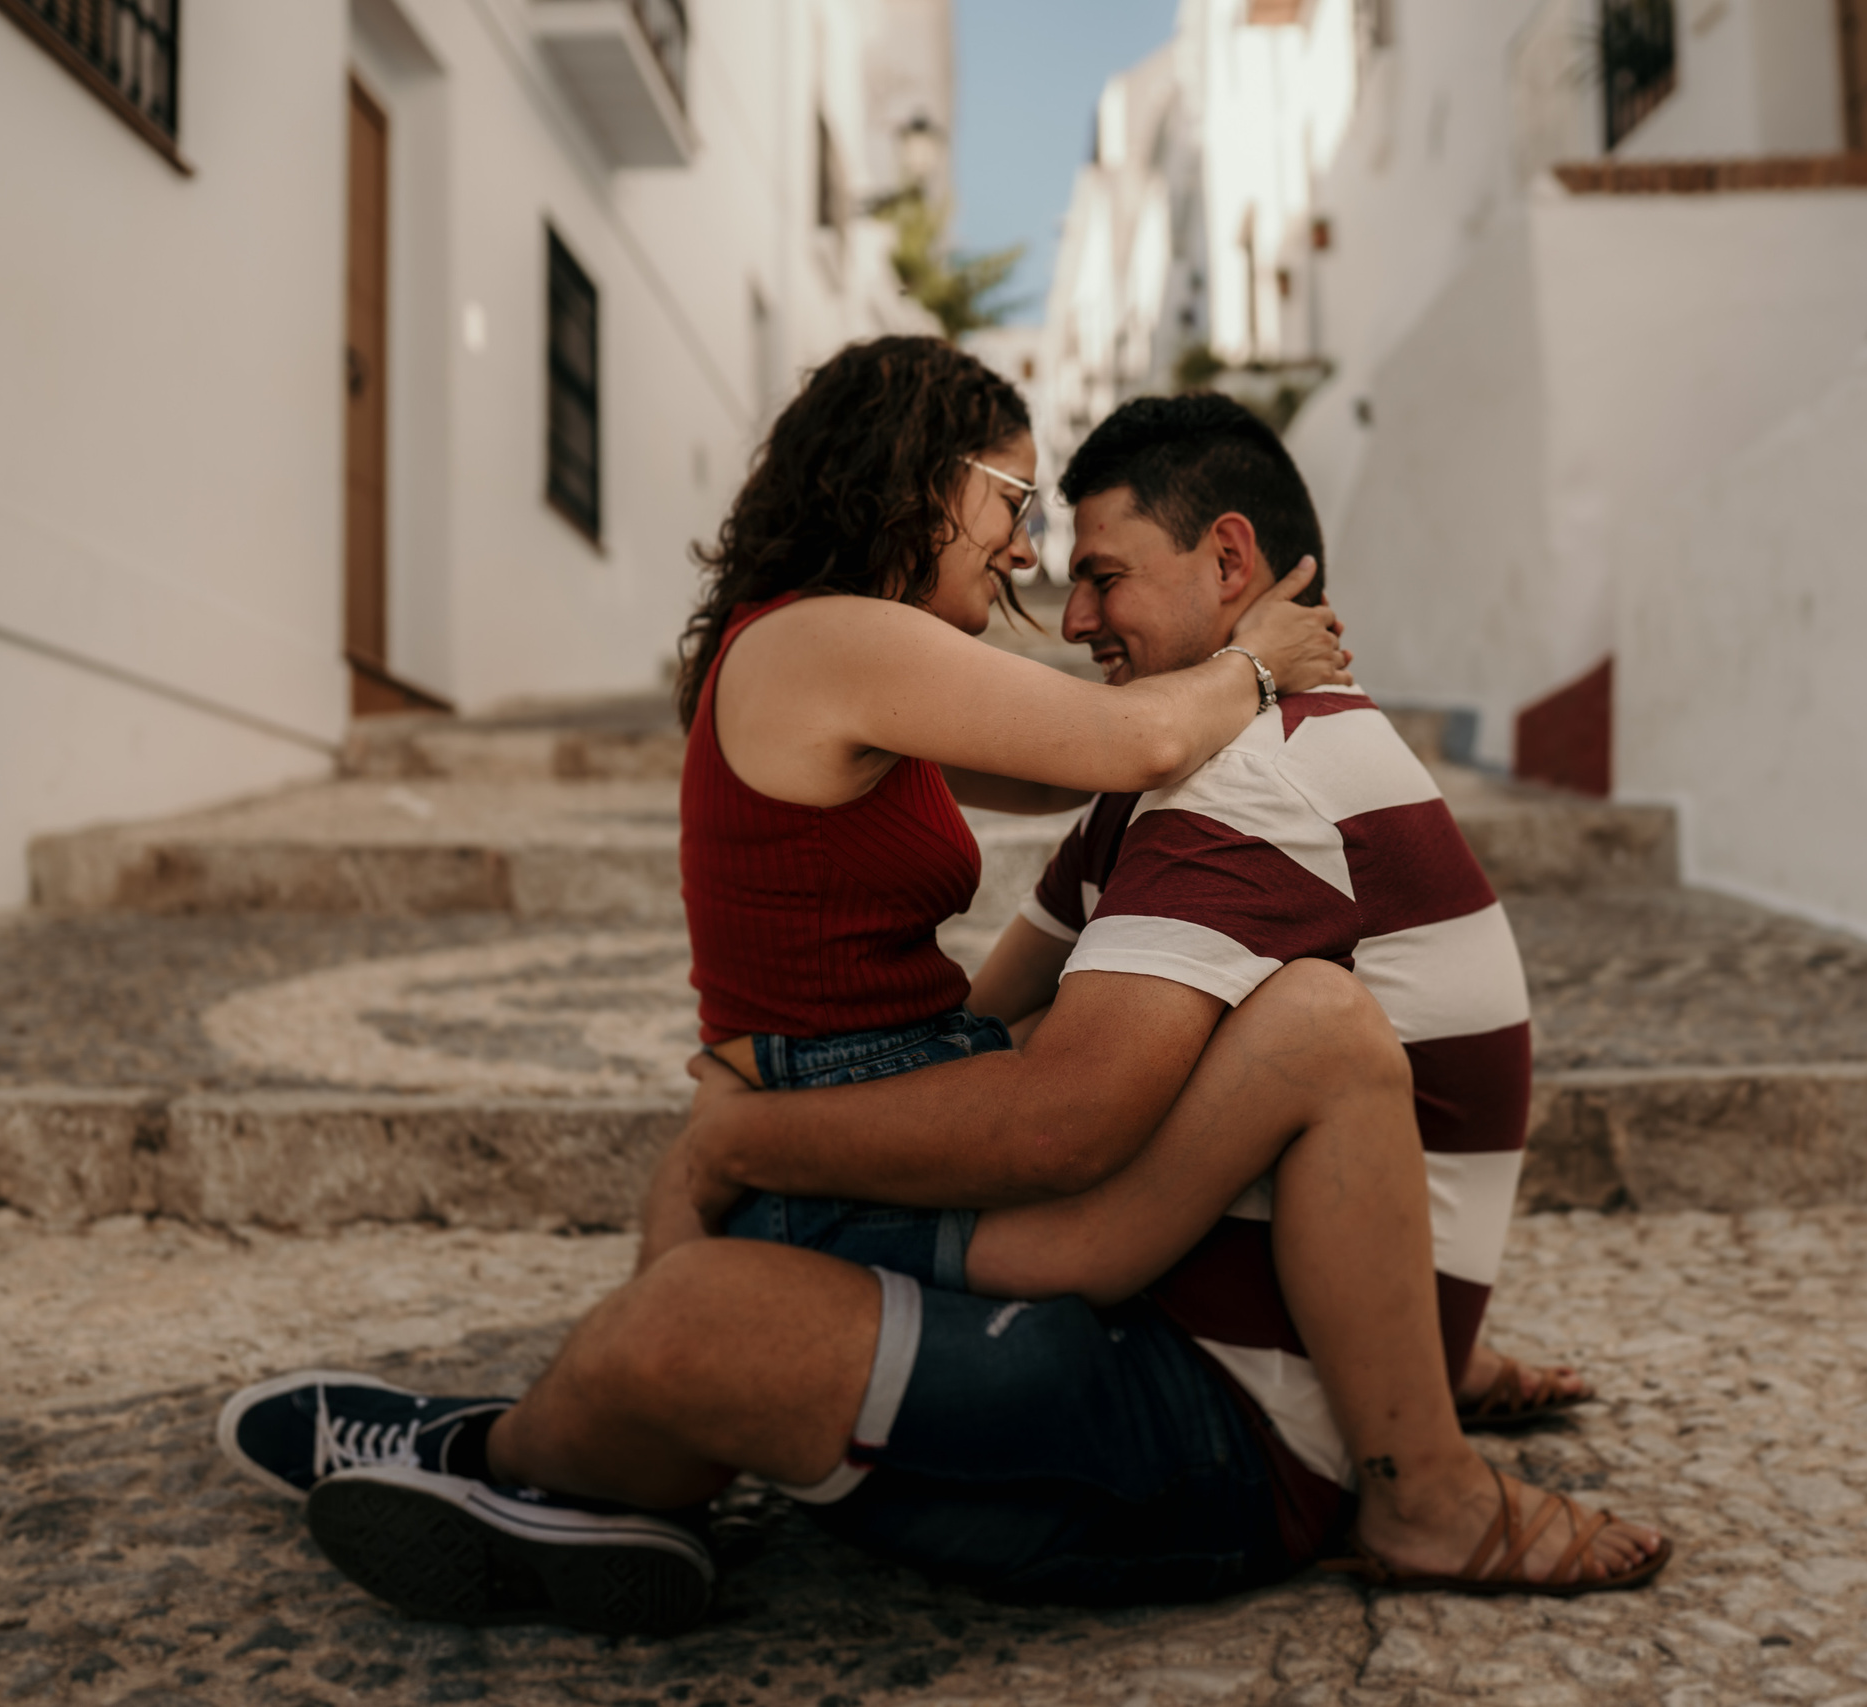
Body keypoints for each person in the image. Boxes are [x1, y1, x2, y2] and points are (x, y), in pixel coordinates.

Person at [215, 381, 1666, 1632]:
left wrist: (749, 1140)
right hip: (1243, 1330)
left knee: (698, 1322)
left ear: (1232, 563)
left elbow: (1056, 1105)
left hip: (1241, 1430)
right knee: (741, 1272)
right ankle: (549, 1476)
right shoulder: (1144, 773)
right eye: (1029, 526)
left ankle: (519, 1465)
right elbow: (1018, 966)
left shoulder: (1241, 777)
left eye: (1100, 571)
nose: (1063, 600)